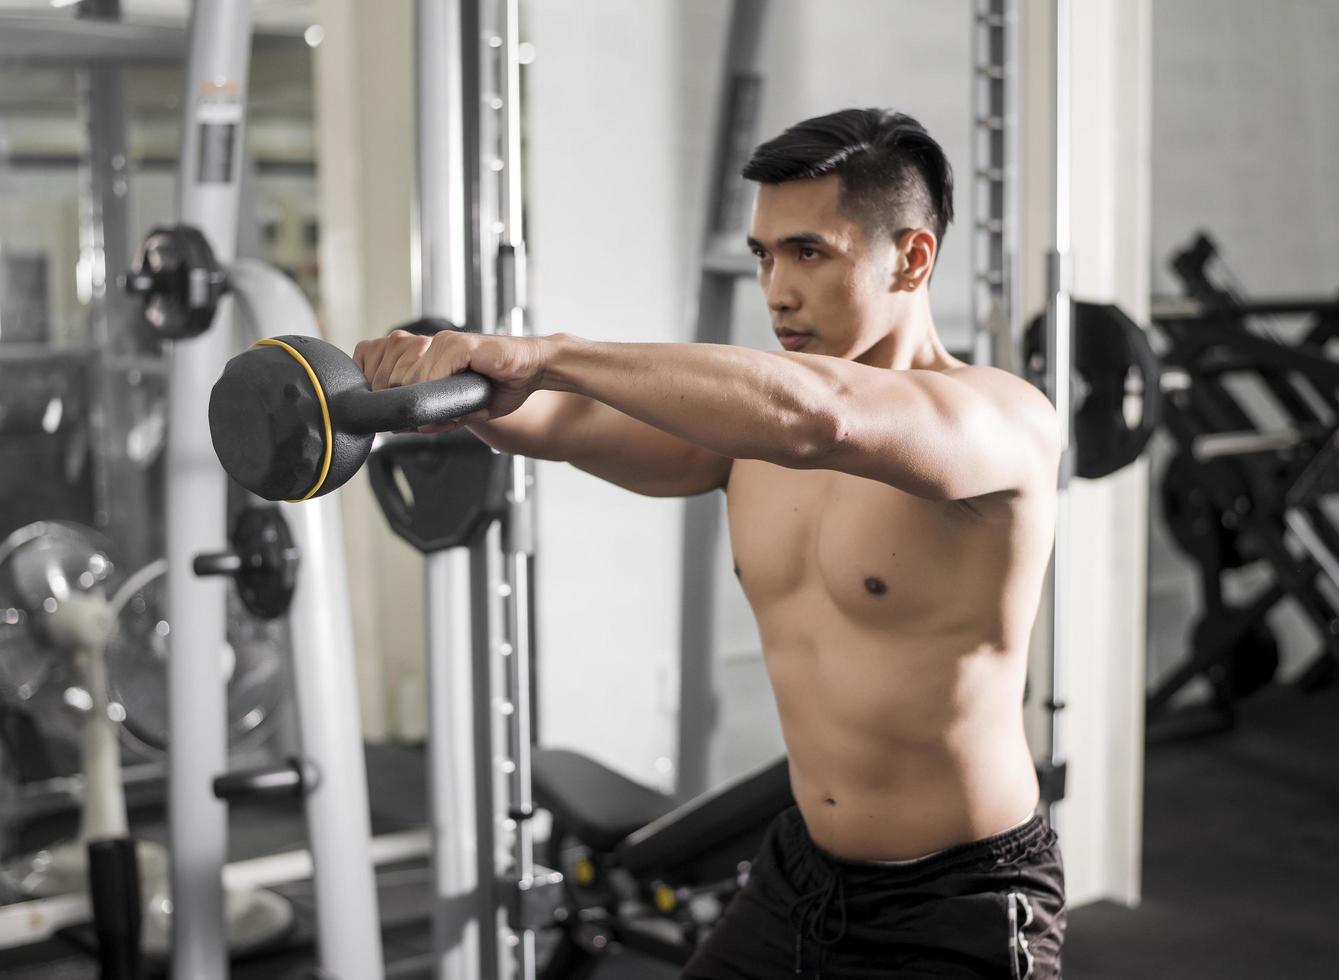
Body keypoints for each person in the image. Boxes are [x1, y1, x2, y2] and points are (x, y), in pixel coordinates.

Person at [355, 107, 1065, 979]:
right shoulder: (746, 440)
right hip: (799, 872)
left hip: (957, 901)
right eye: (765, 254)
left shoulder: (998, 422)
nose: (777, 289)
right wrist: (450, 391)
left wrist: (549, 351)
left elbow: (824, 417)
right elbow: (570, 419)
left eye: (809, 252)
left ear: (912, 257)